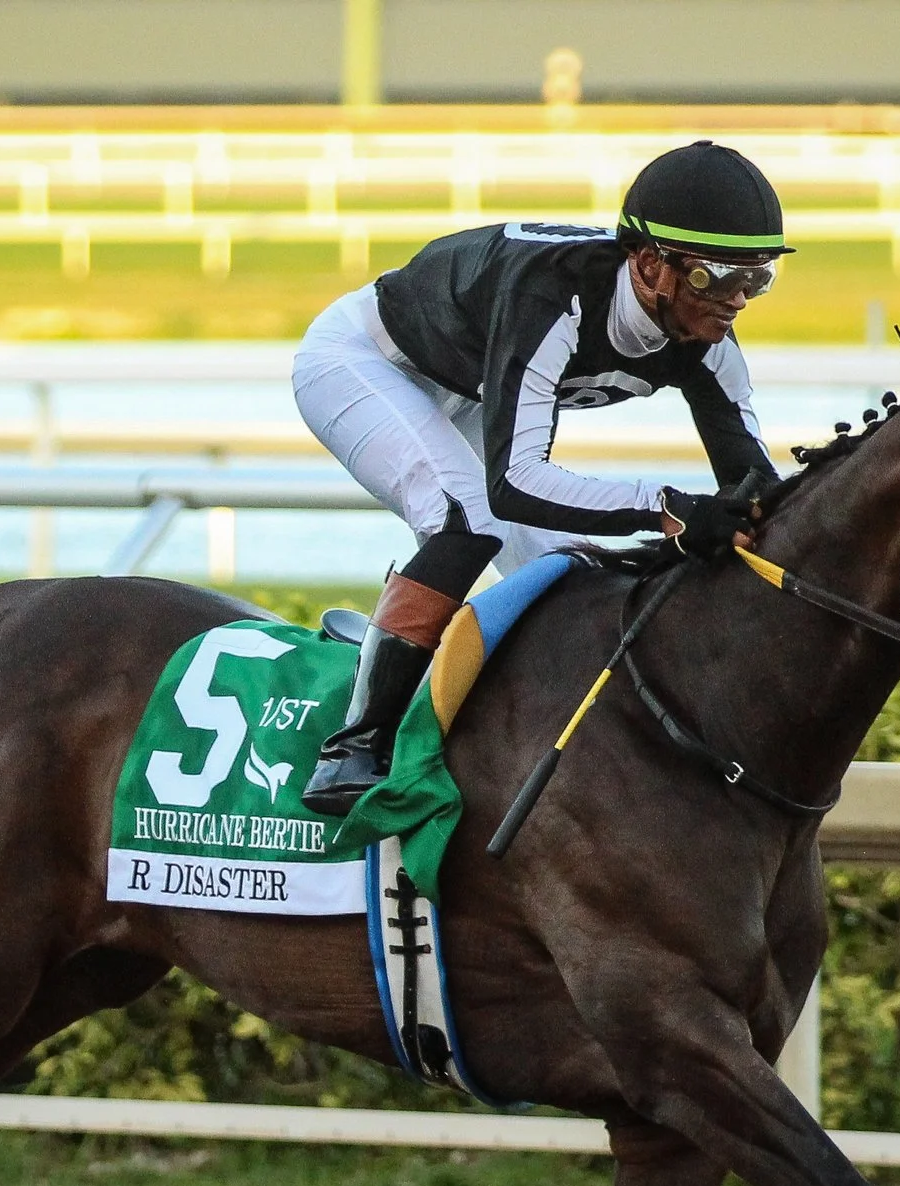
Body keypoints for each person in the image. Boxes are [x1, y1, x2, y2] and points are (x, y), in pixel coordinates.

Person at [290, 139, 789, 816]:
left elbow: (754, 486)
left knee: (569, 571)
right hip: (367, 361)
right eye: (716, 278)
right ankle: (353, 746)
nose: (735, 302)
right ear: (649, 266)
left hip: (469, 386)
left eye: (755, 281)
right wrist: (665, 506)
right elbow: (516, 485)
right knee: (466, 520)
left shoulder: (706, 341)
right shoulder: (553, 296)